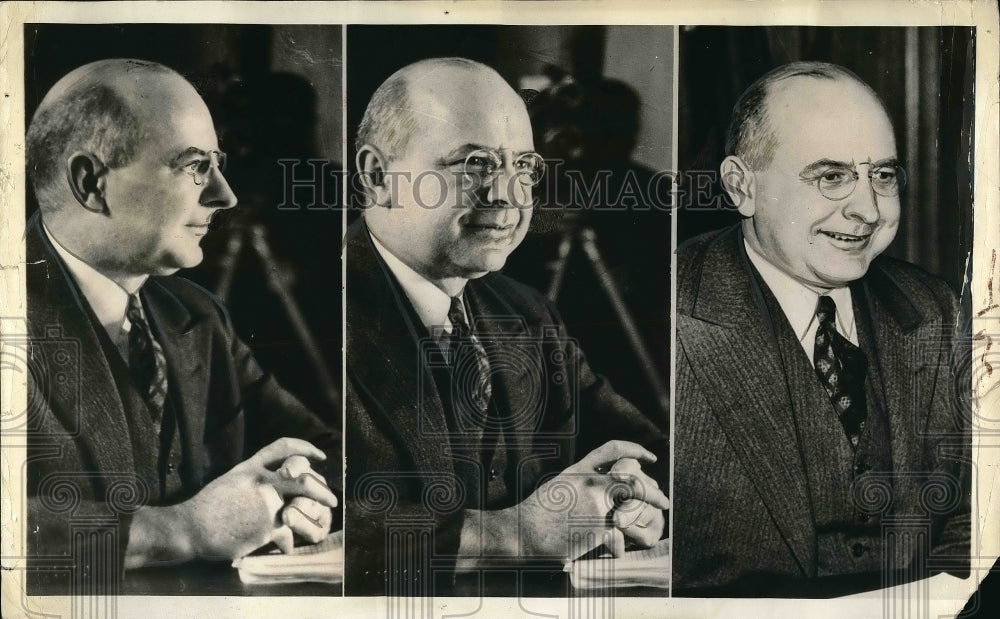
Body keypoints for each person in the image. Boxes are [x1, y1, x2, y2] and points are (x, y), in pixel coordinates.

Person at [345, 57, 669, 596]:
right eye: (474, 164)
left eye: (523, 167)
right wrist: (510, 535)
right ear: (377, 175)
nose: (507, 195)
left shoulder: (525, 312)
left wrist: (635, 495)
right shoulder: (306, 312)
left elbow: (647, 447)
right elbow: (321, 517)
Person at [24, 59, 340, 593]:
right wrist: (184, 529)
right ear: (90, 182)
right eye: (195, 166)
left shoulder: (194, 314)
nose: (225, 195)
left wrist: (307, 491)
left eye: (218, 164)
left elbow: (317, 449)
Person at [673, 61, 970, 596]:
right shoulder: (667, 312)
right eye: (831, 176)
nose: (867, 210)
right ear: (742, 187)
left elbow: (977, 518)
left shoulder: (934, 310)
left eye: (882, 174)